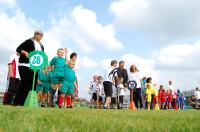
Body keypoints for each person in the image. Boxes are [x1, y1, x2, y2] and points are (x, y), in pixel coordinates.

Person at [13, 30, 44, 106]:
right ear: (35, 34)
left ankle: (26, 103)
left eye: (42, 35)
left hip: (35, 67)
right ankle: (17, 103)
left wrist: (42, 66)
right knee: (24, 83)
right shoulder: (29, 41)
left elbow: (41, 57)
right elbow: (18, 49)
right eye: (39, 34)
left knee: (32, 85)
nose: (40, 36)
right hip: (25, 64)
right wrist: (25, 52)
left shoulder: (41, 46)